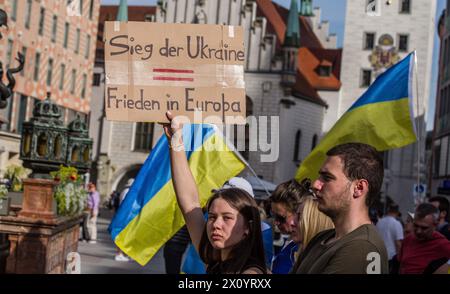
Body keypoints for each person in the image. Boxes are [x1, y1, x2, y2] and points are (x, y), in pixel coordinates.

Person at [162, 112, 267, 274]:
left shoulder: (251, 273)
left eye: (227, 218)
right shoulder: (215, 259)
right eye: (212, 217)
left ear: (248, 227)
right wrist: (175, 139)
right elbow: (189, 203)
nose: (216, 225)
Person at [294, 143, 388, 274]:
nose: (316, 184)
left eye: (327, 178)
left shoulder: (360, 247)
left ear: (359, 188)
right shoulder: (322, 238)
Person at [397, 203, 450, 274]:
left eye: (424, 228)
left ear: (435, 225)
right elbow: (401, 265)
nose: (418, 231)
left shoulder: (443, 244)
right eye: (416, 225)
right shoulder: (408, 239)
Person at [290, 193, 334, 272]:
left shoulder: (327, 259)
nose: (292, 223)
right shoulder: (294, 251)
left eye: (299, 217)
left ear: (314, 222)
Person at [269, 179, 304, 274]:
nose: (276, 222)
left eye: (281, 217)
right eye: (273, 215)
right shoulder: (291, 242)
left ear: (298, 213)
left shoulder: (305, 248)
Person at [376, 204, 404, 273]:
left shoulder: (379, 222)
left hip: (379, 256)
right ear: (397, 213)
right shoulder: (396, 224)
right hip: (391, 257)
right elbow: (398, 243)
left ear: (388, 211)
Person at [114, 178, 135, 262]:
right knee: (123, 235)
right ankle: (119, 254)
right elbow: (126, 204)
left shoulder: (125, 191)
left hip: (125, 215)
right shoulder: (127, 192)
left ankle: (124, 253)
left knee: (126, 235)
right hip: (125, 216)